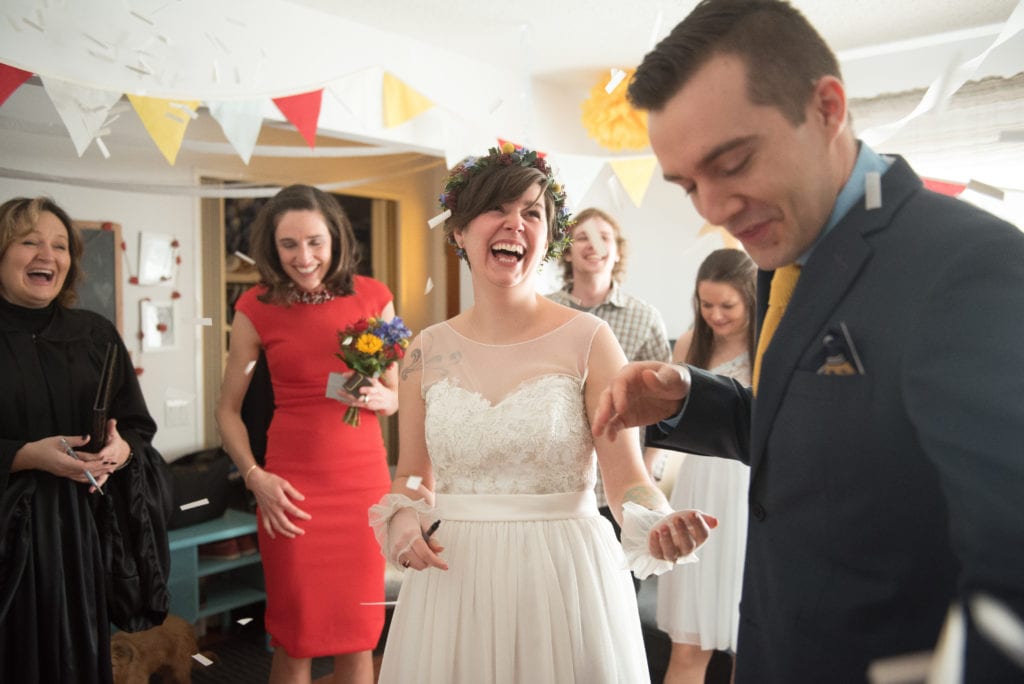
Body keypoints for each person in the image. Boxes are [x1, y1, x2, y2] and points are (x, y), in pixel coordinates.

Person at [593, 1, 1024, 681]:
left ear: (826, 108)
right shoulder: (785, 258)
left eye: (732, 161)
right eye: (688, 186)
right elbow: (819, 435)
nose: (713, 209)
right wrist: (687, 397)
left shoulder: (969, 268)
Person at [369, 143, 717, 683]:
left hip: (564, 576)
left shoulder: (590, 340)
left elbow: (628, 480)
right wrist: (404, 517)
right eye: (497, 209)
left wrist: (654, 520)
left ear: (548, 237)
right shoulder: (425, 350)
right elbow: (413, 475)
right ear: (459, 230)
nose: (515, 223)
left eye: (532, 212)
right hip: (456, 577)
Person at [216, 185, 397, 684]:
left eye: (315, 242)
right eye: (289, 244)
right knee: (296, 638)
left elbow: (395, 391)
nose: (304, 257)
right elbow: (226, 410)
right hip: (290, 492)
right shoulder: (256, 306)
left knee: (359, 636)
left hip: (362, 486)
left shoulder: (374, 296)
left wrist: (385, 398)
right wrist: (254, 477)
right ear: (271, 248)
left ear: (335, 238)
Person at [0, 196, 172, 683]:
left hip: (82, 533)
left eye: (59, 245)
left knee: (79, 658)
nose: (46, 255)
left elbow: (137, 427)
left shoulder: (94, 335)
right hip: (8, 536)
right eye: (28, 241)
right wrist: (24, 455)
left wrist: (122, 451)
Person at [657, 248, 755, 684]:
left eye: (727, 305)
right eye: (706, 304)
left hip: (749, 495)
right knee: (687, 644)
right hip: (698, 490)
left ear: (750, 298)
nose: (715, 315)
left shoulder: (769, 344)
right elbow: (665, 429)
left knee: (749, 647)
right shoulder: (689, 343)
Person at [547, 207, 672, 538]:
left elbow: (666, 405)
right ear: (567, 250)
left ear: (617, 252)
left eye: (604, 238)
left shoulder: (645, 318)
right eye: (582, 237)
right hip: (556, 486)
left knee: (624, 584)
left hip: (624, 480)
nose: (593, 246)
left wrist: (647, 470)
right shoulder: (543, 313)